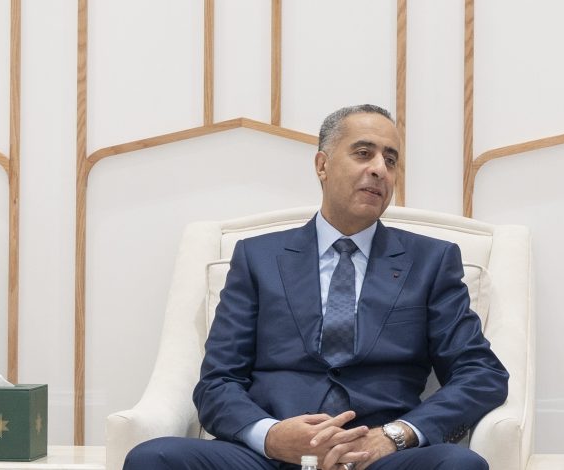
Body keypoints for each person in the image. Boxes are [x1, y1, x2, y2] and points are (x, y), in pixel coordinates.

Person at [123, 104, 509, 470]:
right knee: (154, 458)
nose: (379, 169)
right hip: (267, 455)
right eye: (364, 153)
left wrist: (394, 436)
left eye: (390, 160)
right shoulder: (258, 258)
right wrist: (271, 436)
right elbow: (218, 382)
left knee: (459, 465)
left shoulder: (431, 261)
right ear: (322, 165)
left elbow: (480, 373)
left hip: (378, 456)